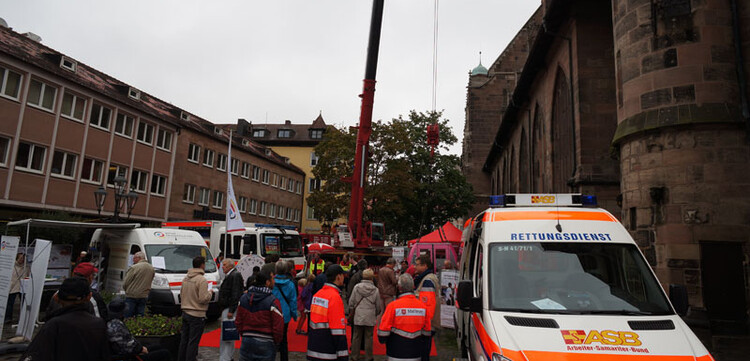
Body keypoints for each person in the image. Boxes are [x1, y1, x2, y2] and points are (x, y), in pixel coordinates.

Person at [20, 277, 110, 361]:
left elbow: (36, 354)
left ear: (57, 298)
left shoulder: (53, 325)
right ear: (89, 297)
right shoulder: (99, 324)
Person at [378, 274, 430, 361]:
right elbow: (427, 333)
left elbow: (383, 334)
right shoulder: (423, 307)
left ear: (399, 288)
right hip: (416, 353)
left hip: (395, 353)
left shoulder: (392, 306)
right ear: (413, 286)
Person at [235, 269, 284, 361]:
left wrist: (244, 334)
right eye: (273, 279)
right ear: (267, 282)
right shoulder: (272, 301)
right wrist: (276, 341)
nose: (274, 281)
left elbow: (238, 321)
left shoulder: (244, 298)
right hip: (266, 341)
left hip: (247, 340)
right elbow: (278, 326)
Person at [107, 298, 171, 361]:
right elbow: (128, 345)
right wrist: (141, 349)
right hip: (130, 355)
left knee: (158, 347)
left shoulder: (111, 323)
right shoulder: (117, 326)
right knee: (165, 353)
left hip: (128, 351)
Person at [307, 265, 348, 361]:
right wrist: (343, 357)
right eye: (343, 275)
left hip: (313, 348)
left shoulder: (318, 295)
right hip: (328, 352)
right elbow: (338, 331)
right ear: (338, 277)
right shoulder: (335, 297)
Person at [177, 256, 213, 361]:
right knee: (193, 342)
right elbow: (203, 299)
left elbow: (181, 294)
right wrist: (210, 293)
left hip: (185, 312)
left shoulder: (186, 278)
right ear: (202, 265)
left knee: (184, 340)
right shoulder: (201, 280)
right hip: (197, 314)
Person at [348, 269, 382, 361]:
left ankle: (354, 356)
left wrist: (353, 309)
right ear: (372, 277)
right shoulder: (375, 290)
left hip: (358, 314)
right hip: (370, 316)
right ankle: (369, 357)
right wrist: (375, 313)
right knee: (369, 337)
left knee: (356, 336)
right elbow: (378, 306)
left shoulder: (357, 287)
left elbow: (351, 302)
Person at [414, 255, 441, 361]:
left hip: (426, 324)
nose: (415, 267)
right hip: (428, 324)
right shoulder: (428, 278)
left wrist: (423, 324)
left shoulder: (427, 281)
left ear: (424, 266)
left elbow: (427, 306)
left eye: (417, 265)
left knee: (423, 353)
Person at [219, 259, 245, 361]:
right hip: (227, 307)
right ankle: (226, 356)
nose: (222, 267)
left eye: (224, 265)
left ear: (230, 266)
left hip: (229, 308)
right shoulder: (232, 275)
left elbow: (235, 293)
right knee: (227, 333)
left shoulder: (234, 275)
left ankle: (226, 357)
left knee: (228, 333)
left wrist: (231, 309)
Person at [272, 260, 297, 361]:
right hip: (285, 314)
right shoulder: (290, 284)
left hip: (273, 312)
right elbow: (293, 301)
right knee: (284, 339)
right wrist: (294, 314)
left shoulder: (271, 282)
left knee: (271, 338)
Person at [122, 251, 155, 318]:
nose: (133, 260)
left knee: (128, 314)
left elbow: (126, 282)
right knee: (140, 314)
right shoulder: (151, 268)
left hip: (132, 295)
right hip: (144, 295)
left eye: (134, 258)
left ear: (139, 258)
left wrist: (126, 289)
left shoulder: (134, 267)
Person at [6, 252, 28, 323]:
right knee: (10, 303)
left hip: (23, 287)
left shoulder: (26, 267)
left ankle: (23, 318)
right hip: (13, 286)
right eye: (21, 258)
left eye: (23, 258)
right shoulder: (12, 266)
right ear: (17, 258)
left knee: (24, 303)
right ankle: (8, 318)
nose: (22, 260)